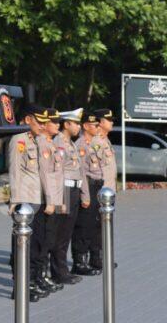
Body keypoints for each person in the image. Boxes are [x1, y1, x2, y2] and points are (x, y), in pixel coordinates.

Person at [8, 103, 50, 302]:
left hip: (36, 199)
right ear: (27, 119)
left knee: (34, 246)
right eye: (39, 121)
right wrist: (15, 201)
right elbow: (15, 172)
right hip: (24, 200)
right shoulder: (20, 141)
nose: (43, 125)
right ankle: (20, 287)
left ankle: (30, 281)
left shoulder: (36, 140)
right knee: (22, 246)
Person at [50, 108, 89, 285]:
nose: (78, 127)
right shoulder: (59, 142)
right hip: (64, 190)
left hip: (73, 189)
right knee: (61, 232)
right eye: (76, 123)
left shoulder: (70, 143)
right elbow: (56, 171)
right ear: (67, 124)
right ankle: (59, 271)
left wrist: (83, 193)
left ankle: (61, 269)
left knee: (67, 232)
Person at [34, 108, 64, 295]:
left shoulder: (50, 144)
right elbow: (45, 175)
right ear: (45, 125)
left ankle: (43, 275)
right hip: (47, 200)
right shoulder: (42, 145)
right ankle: (40, 276)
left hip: (55, 197)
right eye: (54, 122)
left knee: (50, 238)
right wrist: (51, 200)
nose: (57, 125)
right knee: (43, 241)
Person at [72, 110, 104, 276]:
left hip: (97, 186)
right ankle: (79, 262)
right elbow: (82, 173)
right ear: (85, 126)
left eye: (99, 124)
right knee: (83, 226)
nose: (98, 127)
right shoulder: (81, 145)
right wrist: (85, 195)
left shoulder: (94, 143)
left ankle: (91, 259)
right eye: (94, 125)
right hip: (88, 188)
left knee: (93, 225)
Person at [95, 109, 118, 191]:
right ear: (100, 123)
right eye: (109, 120)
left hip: (109, 188)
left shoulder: (106, 139)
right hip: (101, 189)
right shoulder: (96, 141)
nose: (112, 122)